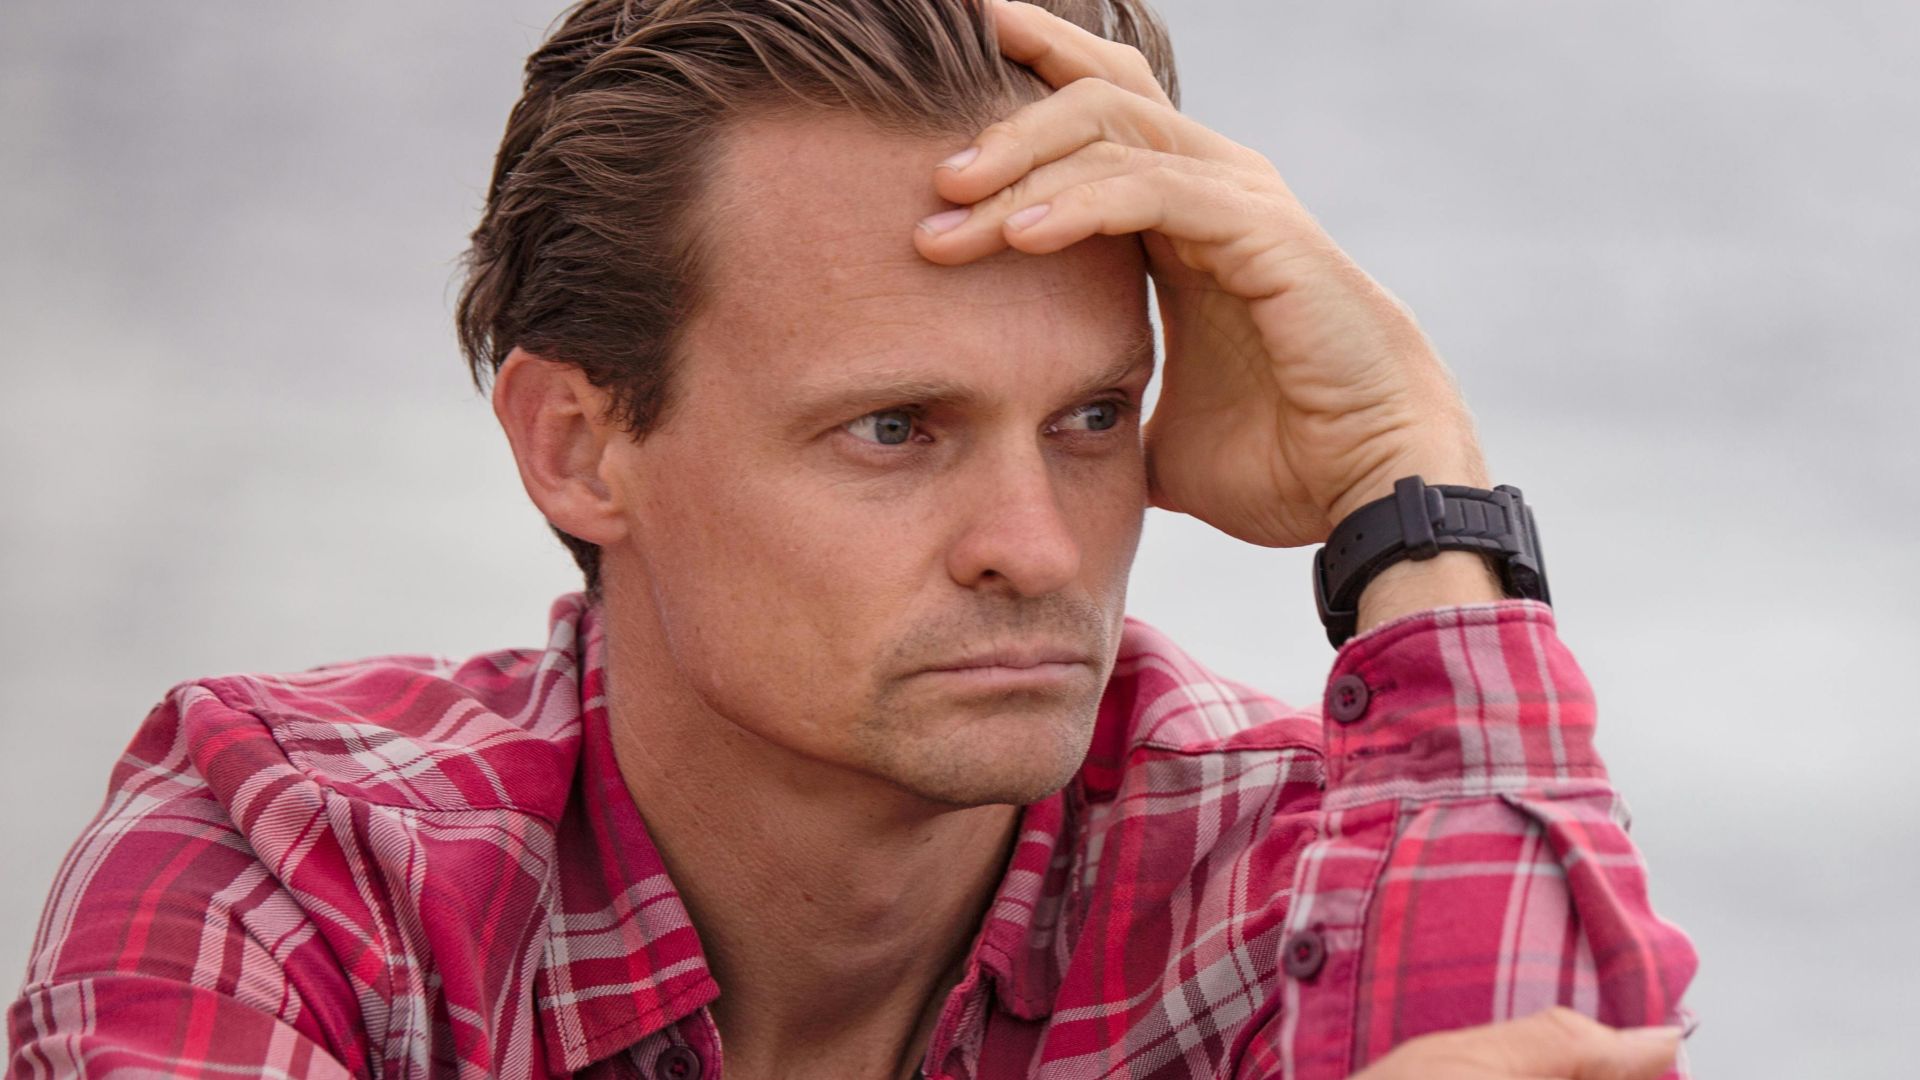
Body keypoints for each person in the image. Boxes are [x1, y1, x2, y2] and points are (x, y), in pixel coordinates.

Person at [6, 1, 1698, 1077]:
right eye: (897, 429)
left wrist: (1409, 492)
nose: (1035, 547)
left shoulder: (1299, 869)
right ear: (579, 445)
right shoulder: (295, 869)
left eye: (1093, 420)